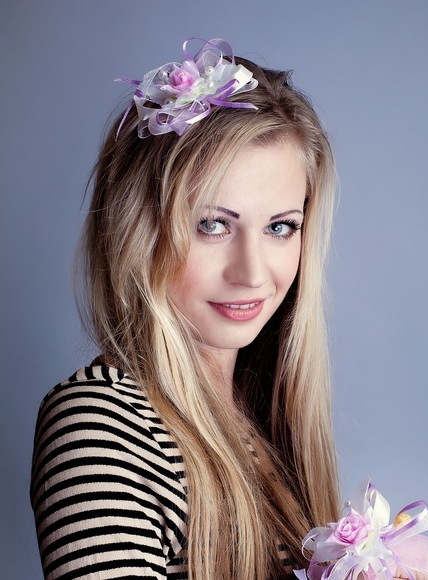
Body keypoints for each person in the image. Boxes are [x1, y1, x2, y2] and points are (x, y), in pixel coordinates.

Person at [30, 38, 340, 579]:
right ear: (138, 233)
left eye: (280, 227)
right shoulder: (102, 424)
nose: (252, 273)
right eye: (212, 224)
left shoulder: (258, 414)